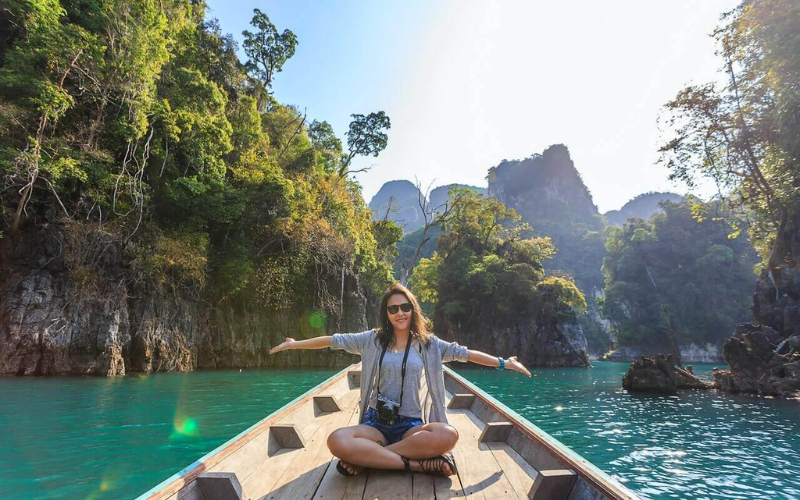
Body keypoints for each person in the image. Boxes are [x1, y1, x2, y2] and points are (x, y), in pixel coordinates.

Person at [268, 282, 531, 477]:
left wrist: (503, 363)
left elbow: (466, 354)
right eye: (393, 309)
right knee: (336, 440)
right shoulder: (371, 339)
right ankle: (415, 464)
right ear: (387, 313)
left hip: (410, 426)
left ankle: (369, 459)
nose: (400, 313)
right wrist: (294, 344)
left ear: (413, 309)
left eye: (405, 307)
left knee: (447, 434)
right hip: (376, 424)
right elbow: (332, 341)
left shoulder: (429, 345)